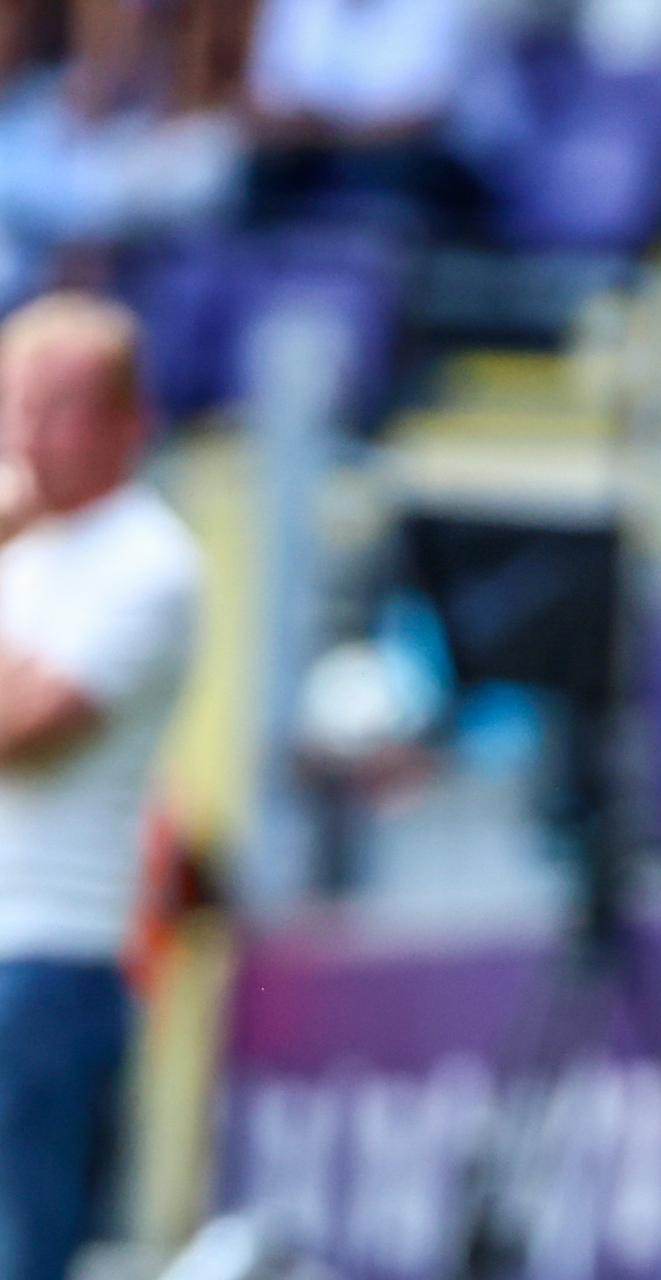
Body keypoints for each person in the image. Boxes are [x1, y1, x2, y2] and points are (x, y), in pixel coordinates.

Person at [0, 292, 201, 1280]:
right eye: (15, 401)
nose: (27, 432)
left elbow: (24, 731)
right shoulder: (25, 546)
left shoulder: (148, 560)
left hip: (53, 953)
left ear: (131, 422)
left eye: (56, 404)